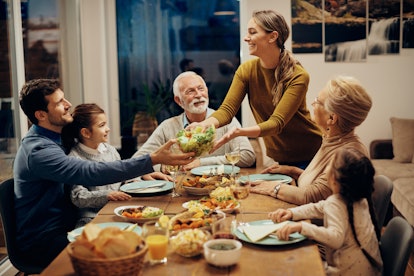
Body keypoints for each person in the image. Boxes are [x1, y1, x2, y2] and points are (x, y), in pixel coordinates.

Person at [13, 79, 194, 270]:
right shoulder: (39, 151)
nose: (68, 105)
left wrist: (142, 175)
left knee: (145, 232)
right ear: (41, 114)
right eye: (59, 103)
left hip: (69, 226)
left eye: (64, 98)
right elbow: (89, 172)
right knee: (131, 249)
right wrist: (151, 160)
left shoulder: (56, 138)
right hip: (44, 240)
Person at [187, 9, 322, 169]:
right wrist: (205, 124)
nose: (246, 38)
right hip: (278, 155)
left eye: (252, 32)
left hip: (311, 153)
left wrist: (239, 132)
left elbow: (276, 123)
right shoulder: (247, 70)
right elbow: (227, 110)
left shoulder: (298, 76)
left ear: (273, 36)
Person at [250, 75, 372, 205]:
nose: (313, 104)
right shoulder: (333, 139)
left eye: (318, 101)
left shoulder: (348, 154)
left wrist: (270, 187)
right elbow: (323, 185)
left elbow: (311, 196)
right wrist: (291, 171)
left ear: (332, 118)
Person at [268, 147, 383, 275]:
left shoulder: (337, 203)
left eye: (330, 165)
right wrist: (292, 213)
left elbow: (335, 238)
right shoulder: (360, 198)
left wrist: (302, 227)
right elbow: (320, 207)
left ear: (334, 179)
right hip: (369, 271)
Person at [133, 71, 255, 171]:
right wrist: (162, 168)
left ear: (207, 91)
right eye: (190, 91)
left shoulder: (226, 121)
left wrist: (201, 163)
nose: (198, 95)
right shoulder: (167, 127)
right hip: (181, 192)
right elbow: (137, 161)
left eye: (201, 89)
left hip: (219, 188)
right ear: (179, 101)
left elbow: (248, 156)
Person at [61, 104, 132, 227]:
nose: (108, 129)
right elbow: (78, 196)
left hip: (118, 212)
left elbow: (123, 180)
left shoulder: (111, 151)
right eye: (101, 125)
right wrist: (107, 195)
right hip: (91, 219)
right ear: (86, 133)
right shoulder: (73, 159)